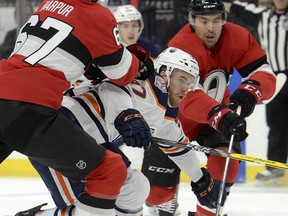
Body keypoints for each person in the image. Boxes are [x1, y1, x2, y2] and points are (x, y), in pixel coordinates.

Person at [14, 47, 227, 216]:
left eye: (190, 83)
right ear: (164, 73)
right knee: (93, 210)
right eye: (182, 79)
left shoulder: (164, 115)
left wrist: (200, 179)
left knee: (136, 188)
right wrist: (127, 114)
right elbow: (112, 88)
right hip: (59, 131)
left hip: (89, 146)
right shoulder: (141, 79)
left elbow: (178, 145)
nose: (186, 89)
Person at [0, 0, 151, 215]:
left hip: (5, 87)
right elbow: (122, 73)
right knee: (110, 171)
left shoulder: (49, 3)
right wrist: (139, 64)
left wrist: (90, 64)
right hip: (30, 107)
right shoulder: (97, 14)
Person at [166, 0, 276, 215]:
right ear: (192, 22)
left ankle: (205, 213)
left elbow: (264, 72)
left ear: (224, 20)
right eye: (203, 21)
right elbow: (187, 96)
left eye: (217, 20)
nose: (210, 28)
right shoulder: (181, 47)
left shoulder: (237, 37)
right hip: (174, 120)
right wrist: (220, 114)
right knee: (157, 194)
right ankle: (160, 203)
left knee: (227, 162)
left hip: (215, 116)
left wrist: (252, 90)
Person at [228, 0, 288, 183]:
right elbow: (234, 7)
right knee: (276, 125)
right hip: (276, 78)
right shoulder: (262, 15)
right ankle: (275, 167)